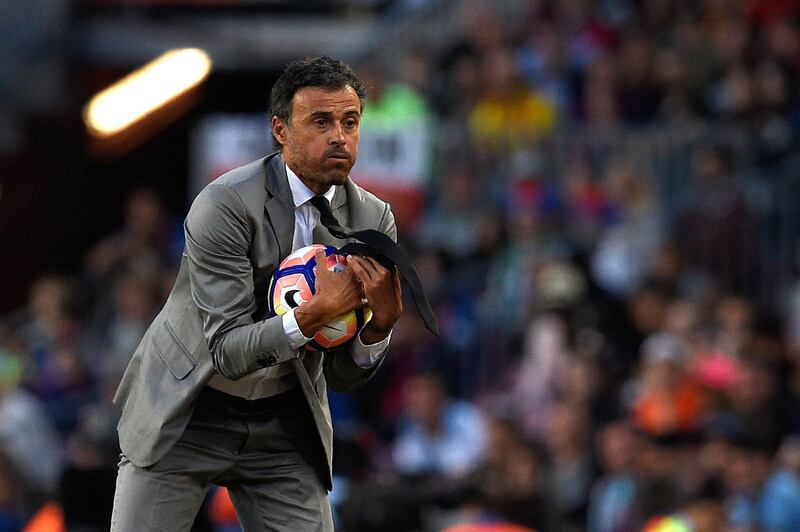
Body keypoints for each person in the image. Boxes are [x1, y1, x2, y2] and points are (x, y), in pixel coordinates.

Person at [110, 56, 404, 531]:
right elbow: (226, 350)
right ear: (281, 131)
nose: (339, 137)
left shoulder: (372, 220)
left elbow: (344, 375)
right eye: (321, 121)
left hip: (284, 417)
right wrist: (311, 317)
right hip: (190, 404)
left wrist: (380, 329)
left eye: (350, 122)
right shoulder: (224, 203)